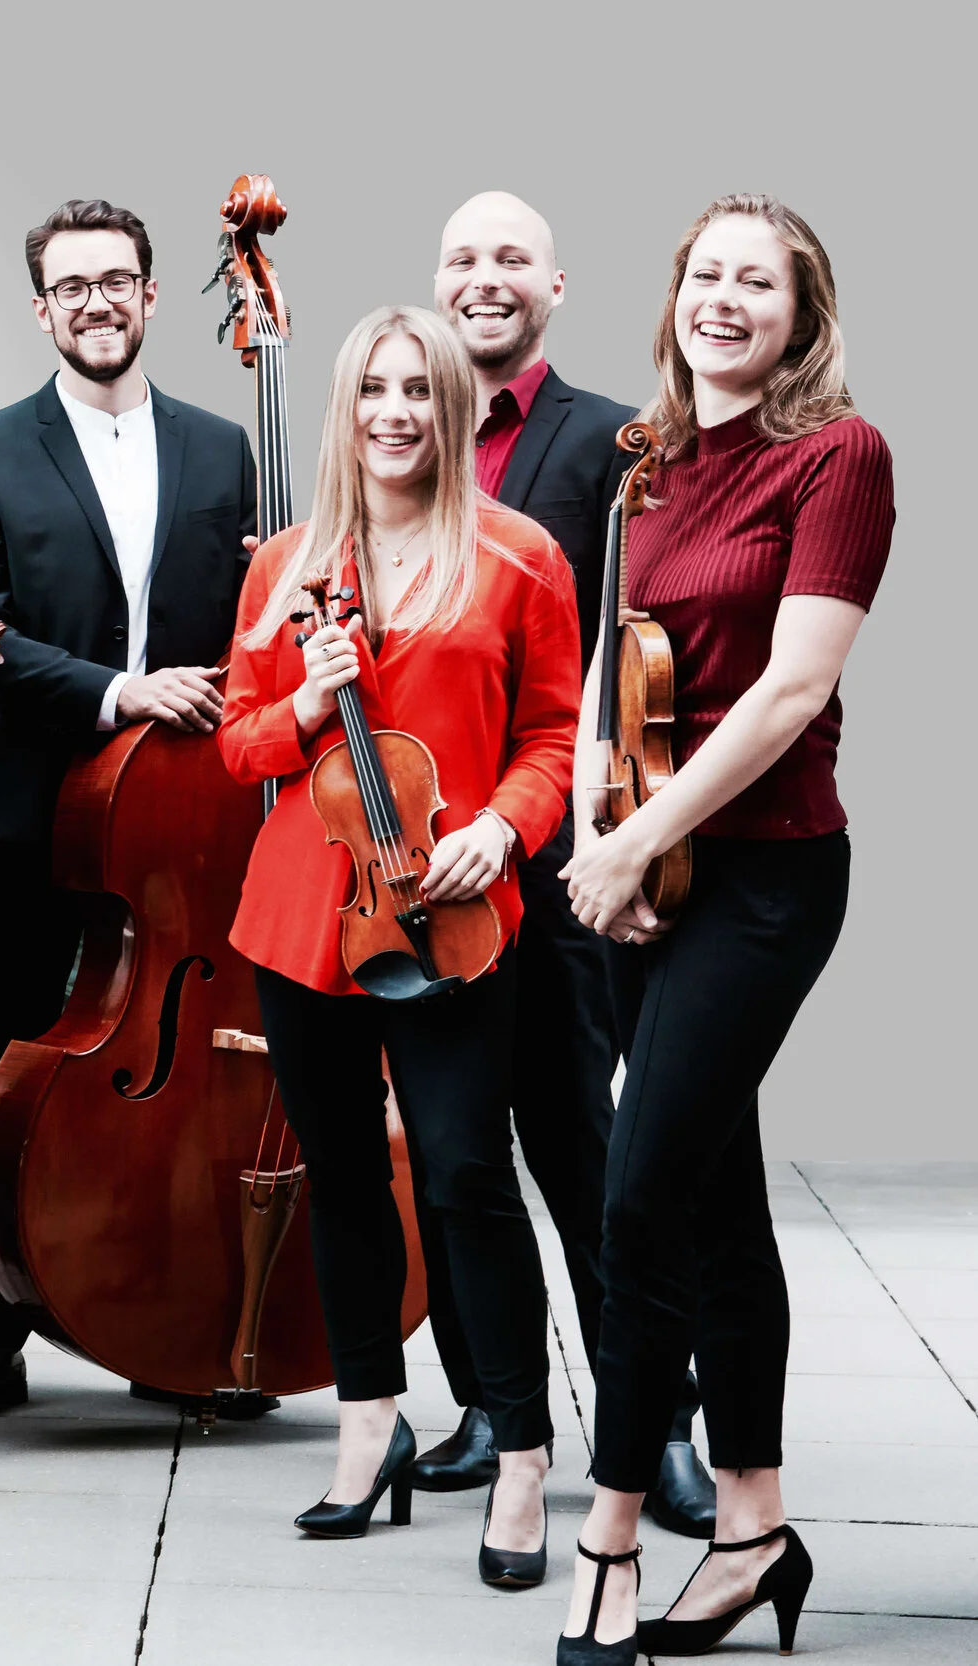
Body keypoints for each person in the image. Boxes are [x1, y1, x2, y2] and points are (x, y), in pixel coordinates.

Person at [556, 196, 891, 1666]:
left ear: (802, 316)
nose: (725, 298)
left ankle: (611, 1535)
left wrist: (639, 837)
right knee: (708, 1201)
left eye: (760, 281)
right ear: (674, 294)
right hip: (640, 874)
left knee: (635, 1200)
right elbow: (606, 665)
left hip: (761, 881)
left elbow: (791, 689)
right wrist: (597, 831)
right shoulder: (647, 464)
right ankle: (755, 1529)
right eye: (706, 274)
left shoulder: (839, 456)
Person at [218, 306, 576, 1581]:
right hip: (304, 915)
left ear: (455, 408)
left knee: (468, 1175)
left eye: (418, 390)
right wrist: (308, 702)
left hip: (453, 908)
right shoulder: (291, 565)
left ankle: (521, 1449)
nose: (394, 413)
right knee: (340, 1174)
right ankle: (368, 1424)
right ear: (345, 406)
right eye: (373, 389)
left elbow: (553, 735)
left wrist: (505, 827)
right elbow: (239, 742)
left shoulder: (521, 557)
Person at [0, 199, 258, 1428]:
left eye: (116, 280)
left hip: (186, 817)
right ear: (41, 309)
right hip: (26, 810)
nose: (96, 302)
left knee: (194, 1068)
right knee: (6, 1060)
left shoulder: (226, 448)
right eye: (72, 286)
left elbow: (258, 611)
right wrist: (121, 691)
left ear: (152, 295)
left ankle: (173, 1320)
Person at [420, 191, 716, 1538]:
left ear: (554, 286)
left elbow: (642, 646)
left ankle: (658, 1425)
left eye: (510, 258)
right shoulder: (400, 433)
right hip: (418, 858)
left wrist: (617, 831)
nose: (483, 278)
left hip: (554, 858)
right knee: (454, 1161)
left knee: (587, 1157)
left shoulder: (614, 440)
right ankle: (495, 1406)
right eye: (461, 258)